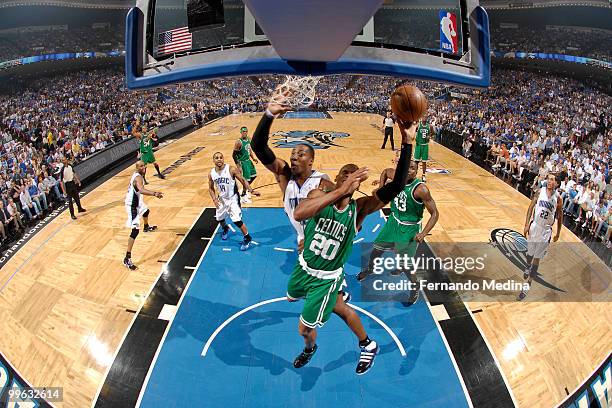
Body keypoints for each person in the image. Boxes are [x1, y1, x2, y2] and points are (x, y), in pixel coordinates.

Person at [287, 118, 416, 375]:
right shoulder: (318, 196)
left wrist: (408, 143)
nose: (349, 177)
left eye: (354, 175)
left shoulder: (359, 210)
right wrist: (339, 191)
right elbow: (300, 214)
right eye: (345, 173)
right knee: (312, 300)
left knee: (303, 328)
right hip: (304, 268)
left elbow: (398, 185)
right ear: (336, 179)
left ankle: (311, 347)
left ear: (359, 184)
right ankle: (368, 342)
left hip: (325, 278)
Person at [251, 100, 350, 302]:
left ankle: (339, 290)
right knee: (307, 281)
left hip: (323, 237)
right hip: (301, 235)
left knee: (335, 294)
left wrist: (314, 238)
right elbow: (259, 147)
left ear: (311, 160)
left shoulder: (323, 182)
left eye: (301, 153)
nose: (294, 156)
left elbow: (338, 214)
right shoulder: (284, 175)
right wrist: (269, 114)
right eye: (293, 153)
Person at [356, 159, 439, 305]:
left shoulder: (421, 189)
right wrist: (382, 190)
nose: (408, 171)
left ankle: (415, 288)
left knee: (406, 265)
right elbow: (385, 172)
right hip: (393, 222)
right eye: (406, 168)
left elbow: (435, 214)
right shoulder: (396, 176)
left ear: (417, 171)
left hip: (409, 228)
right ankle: (370, 268)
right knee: (376, 250)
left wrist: (424, 233)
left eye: (412, 169)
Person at [519, 173, 563, 300]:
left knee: (537, 259)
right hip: (535, 226)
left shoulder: (558, 199)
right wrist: (526, 224)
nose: (549, 181)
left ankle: (527, 286)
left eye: (552, 179)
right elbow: (531, 207)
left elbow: (560, 217)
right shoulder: (540, 191)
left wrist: (558, 233)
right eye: (548, 179)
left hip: (546, 231)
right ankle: (528, 265)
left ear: (557, 183)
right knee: (530, 255)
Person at [208, 152, 255, 251]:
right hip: (221, 199)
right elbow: (211, 188)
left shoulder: (231, 169)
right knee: (219, 218)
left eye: (221, 157)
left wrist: (251, 190)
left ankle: (247, 237)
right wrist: (214, 199)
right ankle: (225, 228)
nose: (219, 159)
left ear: (223, 159)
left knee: (237, 220)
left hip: (233, 198)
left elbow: (243, 180)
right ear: (213, 160)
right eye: (216, 158)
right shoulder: (211, 173)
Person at [124, 161, 163, 270]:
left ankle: (146, 227)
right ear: (136, 168)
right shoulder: (138, 178)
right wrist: (154, 193)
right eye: (141, 166)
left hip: (138, 203)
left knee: (146, 211)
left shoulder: (138, 175)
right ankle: (127, 258)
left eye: (144, 165)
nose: (144, 167)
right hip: (132, 206)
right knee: (135, 231)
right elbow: (141, 190)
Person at [232, 126, 260, 203]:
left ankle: (245, 189)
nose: (244, 133)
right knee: (245, 179)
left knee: (254, 176)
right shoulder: (238, 142)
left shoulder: (249, 139)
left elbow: (249, 150)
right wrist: (238, 165)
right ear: (241, 133)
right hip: (243, 162)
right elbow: (233, 155)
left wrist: (253, 158)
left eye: (246, 131)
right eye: (243, 132)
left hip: (248, 161)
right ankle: (243, 196)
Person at [60, 156, 86, 220]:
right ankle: (72, 214)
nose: (64, 161)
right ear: (62, 162)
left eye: (65, 159)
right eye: (63, 160)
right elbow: (61, 181)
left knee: (77, 197)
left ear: (66, 160)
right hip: (67, 185)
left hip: (72, 183)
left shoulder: (70, 166)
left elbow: (74, 173)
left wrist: (78, 180)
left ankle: (79, 208)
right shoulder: (62, 170)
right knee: (70, 201)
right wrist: (63, 191)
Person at [414, 117, 435, 182]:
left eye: (426, 117)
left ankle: (423, 175)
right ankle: (414, 175)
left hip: (425, 146)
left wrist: (430, 136)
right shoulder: (418, 125)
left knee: (424, 162)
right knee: (416, 162)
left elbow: (433, 134)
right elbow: (412, 130)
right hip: (418, 145)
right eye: (423, 117)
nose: (424, 118)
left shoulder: (430, 126)